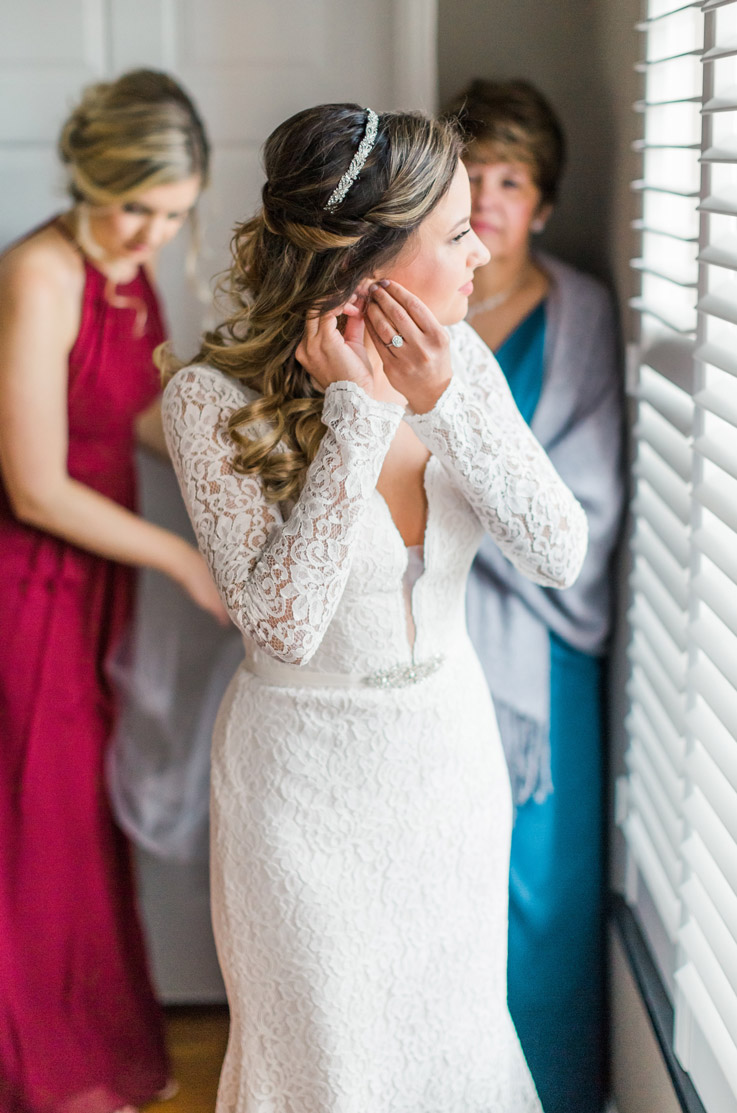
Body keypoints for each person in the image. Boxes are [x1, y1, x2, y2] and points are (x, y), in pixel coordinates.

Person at [162, 101, 589, 1112]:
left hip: (445, 772)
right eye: (451, 232)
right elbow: (280, 625)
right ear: (368, 266)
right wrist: (360, 415)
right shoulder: (207, 400)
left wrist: (444, 404)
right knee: (323, 1067)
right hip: (298, 798)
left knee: (452, 1051)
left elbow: (558, 554)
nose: (481, 247)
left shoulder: (463, 367)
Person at [0, 69, 228, 1113]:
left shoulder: (129, 273)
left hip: (92, 579)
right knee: (30, 828)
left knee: (78, 825)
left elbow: (133, 411)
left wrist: (237, 472)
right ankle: (41, 1072)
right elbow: (37, 485)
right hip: (26, 580)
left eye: (174, 213)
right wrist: (183, 557)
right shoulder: (41, 274)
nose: (151, 232)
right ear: (90, 176)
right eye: (136, 203)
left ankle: (82, 1045)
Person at [443, 79, 625, 1113]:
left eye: (511, 178)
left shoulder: (580, 314)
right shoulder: (418, 301)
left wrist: (479, 519)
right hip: (422, 624)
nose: (489, 195)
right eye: (471, 173)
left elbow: (579, 503)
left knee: (540, 888)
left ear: (544, 202)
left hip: (537, 646)